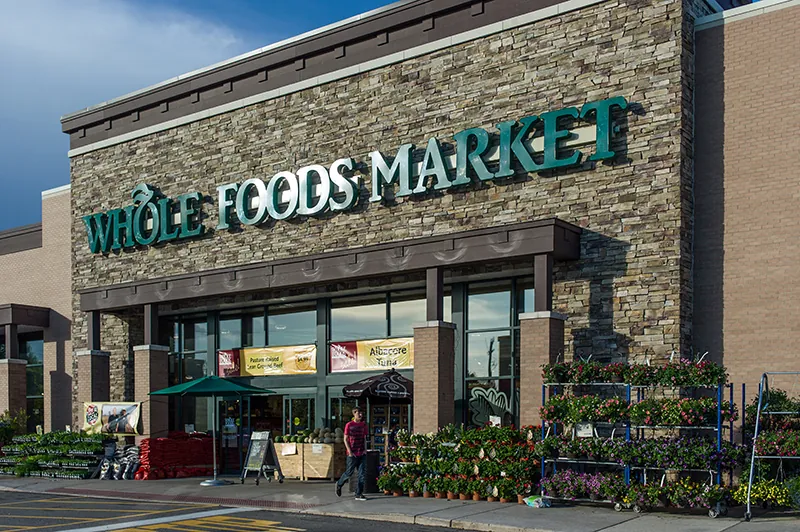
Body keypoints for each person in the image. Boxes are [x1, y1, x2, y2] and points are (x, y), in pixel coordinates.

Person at [335, 406, 368, 501]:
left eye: (361, 413)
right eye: (358, 413)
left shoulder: (363, 425)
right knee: (349, 473)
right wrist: (349, 451)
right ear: (354, 414)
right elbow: (345, 439)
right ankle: (339, 484)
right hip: (352, 453)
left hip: (361, 453)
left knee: (362, 474)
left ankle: (359, 494)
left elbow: (364, 438)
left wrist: (365, 449)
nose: (360, 415)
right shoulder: (349, 425)